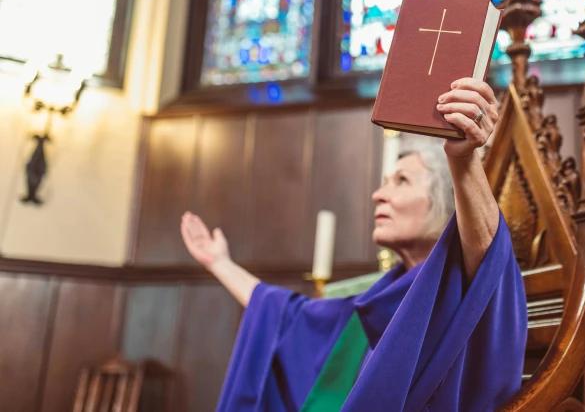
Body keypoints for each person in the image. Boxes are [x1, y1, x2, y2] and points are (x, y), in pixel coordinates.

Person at [180, 78, 528, 412]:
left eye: (401, 181)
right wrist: (219, 263)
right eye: (384, 182)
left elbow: (489, 258)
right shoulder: (379, 299)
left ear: (447, 198)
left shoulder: (467, 280)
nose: (378, 194)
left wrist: (462, 157)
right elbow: (288, 317)